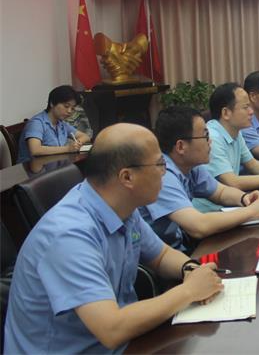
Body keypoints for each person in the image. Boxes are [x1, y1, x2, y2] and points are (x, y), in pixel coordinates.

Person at [3, 123, 223, 353]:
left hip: (120, 343)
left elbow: (161, 256)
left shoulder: (122, 207)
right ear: (127, 177)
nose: (164, 173)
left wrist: (191, 270)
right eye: (160, 164)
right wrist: (189, 291)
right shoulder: (69, 235)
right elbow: (111, 329)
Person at [141, 106, 259, 253]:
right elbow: (199, 226)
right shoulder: (162, 176)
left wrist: (245, 198)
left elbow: (220, 192)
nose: (210, 142)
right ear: (180, 146)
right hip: (161, 258)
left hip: (179, 246)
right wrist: (252, 211)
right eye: (205, 136)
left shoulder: (191, 166)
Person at [17, 85, 91, 163]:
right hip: (31, 167)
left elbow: (85, 136)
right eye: (66, 106)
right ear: (52, 103)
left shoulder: (61, 123)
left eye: (72, 108)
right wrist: (68, 149)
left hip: (54, 165)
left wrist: (77, 144)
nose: (69, 111)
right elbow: (35, 150)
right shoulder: (37, 123)